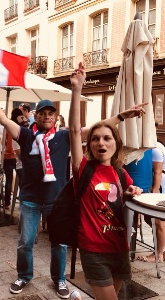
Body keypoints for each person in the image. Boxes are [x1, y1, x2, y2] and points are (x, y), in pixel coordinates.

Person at [0, 73, 146, 298]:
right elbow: (5, 121)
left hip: (57, 199)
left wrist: (122, 116)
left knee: (59, 243)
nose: (47, 117)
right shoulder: (26, 135)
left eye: (50, 113)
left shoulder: (64, 137)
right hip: (30, 197)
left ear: (55, 117)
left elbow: (98, 129)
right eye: (43, 113)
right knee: (25, 242)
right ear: (36, 116)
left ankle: (60, 279)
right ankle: (24, 275)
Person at [69, 62, 144, 300]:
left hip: (120, 248)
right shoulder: (83, 169)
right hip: (94, 249)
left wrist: (134, 191)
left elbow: (130, 193)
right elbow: (73, 130)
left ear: (116, 144)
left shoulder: (121, 174)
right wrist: (77, 89)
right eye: (96, 139)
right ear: (89, 145)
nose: (101, 143)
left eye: (107, 138)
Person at [137, 121, 165, 263]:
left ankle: (158, 255)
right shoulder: (150, 146)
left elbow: (158, 173)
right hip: (154, 186)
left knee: (157, 221)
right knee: (151, 219)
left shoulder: (155, 148)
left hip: (158, 187)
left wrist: (154, 193)